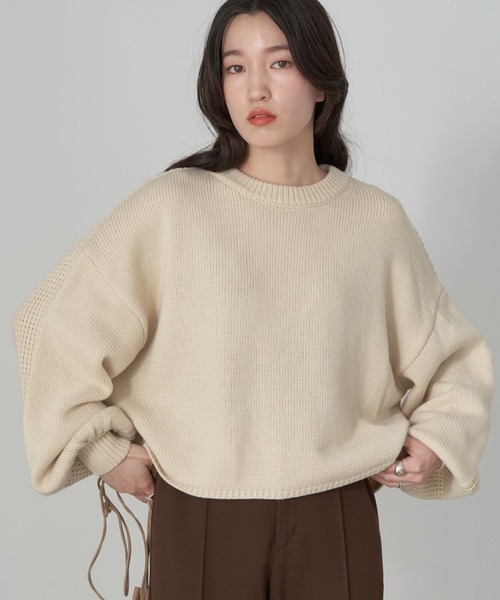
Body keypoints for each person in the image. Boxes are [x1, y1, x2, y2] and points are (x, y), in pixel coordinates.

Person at [13, 0, 493, 599]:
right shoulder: (173, 208)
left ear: (322, 82)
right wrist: (102, 450)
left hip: (336, 513)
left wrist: (436, 440)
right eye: (235, 67)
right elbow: (51, 326)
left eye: (280, 63)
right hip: (201, 511)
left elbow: (453, 360)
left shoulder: (374, 222)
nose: (256, 88)